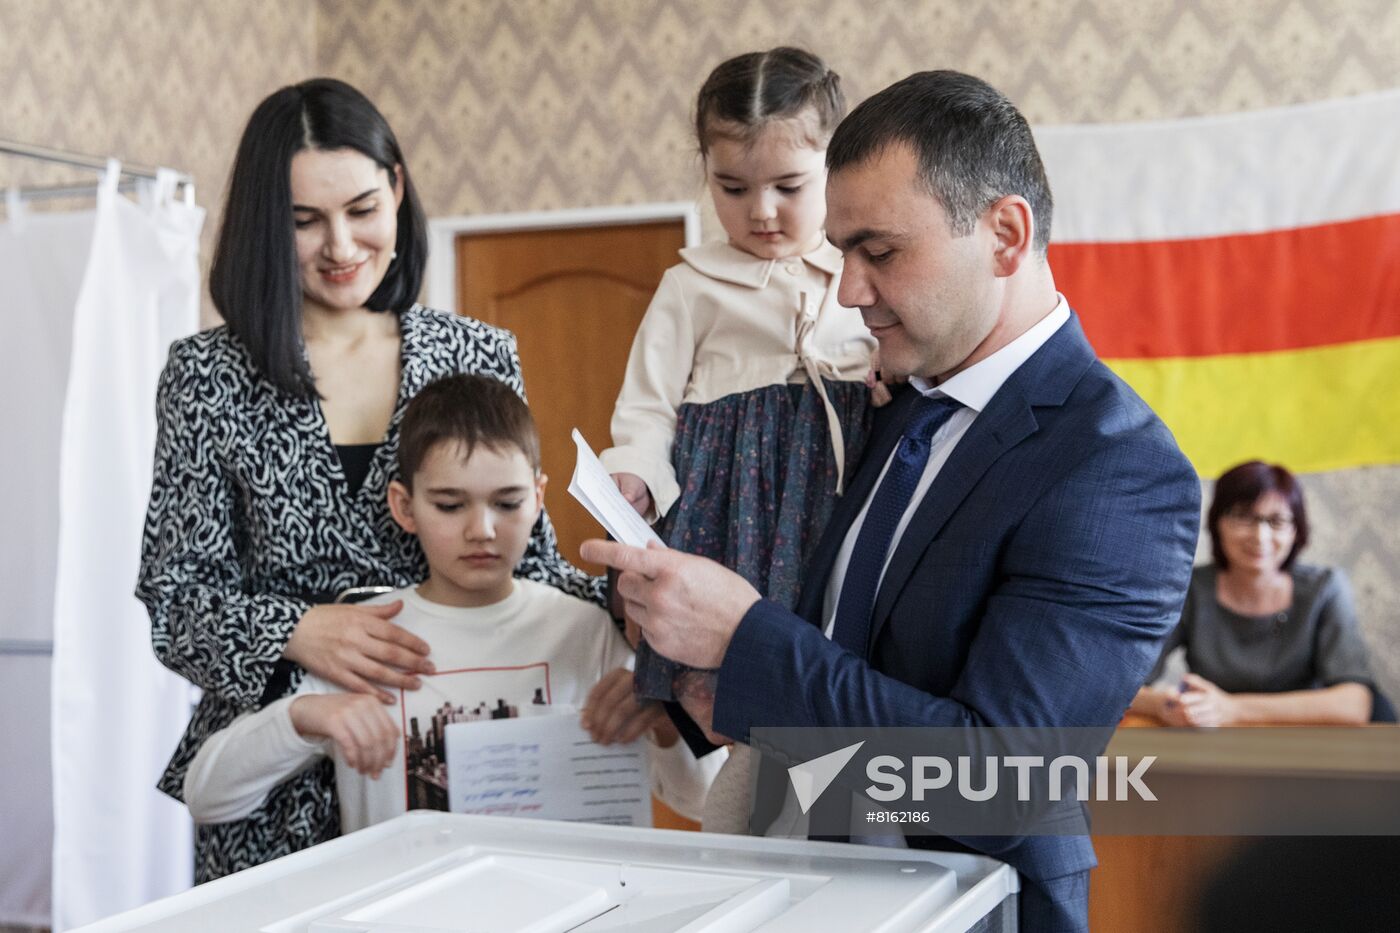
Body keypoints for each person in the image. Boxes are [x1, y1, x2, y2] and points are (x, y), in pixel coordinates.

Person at [584, 70, 1202, 932]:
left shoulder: (1119, 470)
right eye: (841, 253)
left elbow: (999, 784)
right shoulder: (889, 399)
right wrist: (705, 684)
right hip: (802, 882)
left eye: (880, 252)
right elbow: (842, 643)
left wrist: (746, 636)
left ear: (1005, 234)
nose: (847, 291)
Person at [136, 78, 598, 881]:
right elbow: (177, 596)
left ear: (397, 191)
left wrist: (637, 637)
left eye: (360, 209)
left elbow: (535, 565)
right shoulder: (205, 374)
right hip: (272, 779)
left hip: (449, 762)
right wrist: (297, 630)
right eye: (304, 220)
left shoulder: (476, 351)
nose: (342, 246)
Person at [182, 375, 715, 832]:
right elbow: (206, 797)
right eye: (449, 504)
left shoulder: (587, 631)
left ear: (538, 498)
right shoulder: (368, 640)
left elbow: (702, 801)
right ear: (404, 506)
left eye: (507, 503)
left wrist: (664, 719)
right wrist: (304, 716)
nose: (481, 530)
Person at [601, 47, 878, 614]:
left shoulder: (866, 271)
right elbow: (647, 408)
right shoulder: (690, 286)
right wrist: (636, 473)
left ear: (835, 163)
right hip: (731, 514)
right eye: (733, 188)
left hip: (849, 493)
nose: (762, 212)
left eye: (789, 186)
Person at [1131, 460, 1379, 726]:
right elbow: (1122, 683)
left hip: (1307, 742)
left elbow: (1355, 703)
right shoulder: (1190, 588)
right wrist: (1165, 704)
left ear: (1297, 530)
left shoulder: (1325, 587)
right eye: (1243, 516)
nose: (1260, 536)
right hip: (1216, 746)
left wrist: (1232, 709)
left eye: (1276, 521)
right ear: (1217, 524)